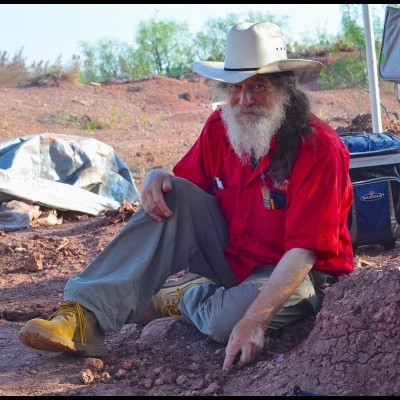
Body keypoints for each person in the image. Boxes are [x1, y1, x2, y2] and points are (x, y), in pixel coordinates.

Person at [18, 21, 354, 372]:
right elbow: (182, 194)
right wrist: (156, 176)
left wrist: (254, 322)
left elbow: (303, 251)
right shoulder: (220, 129)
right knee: (169, 194)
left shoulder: (318, 147)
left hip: (298, 273)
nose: (245, 99)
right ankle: (83, 315)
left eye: (258, 87)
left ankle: (182, 299)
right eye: (235, 88)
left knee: (227, 322)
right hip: (234, 257)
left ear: (285, 89)